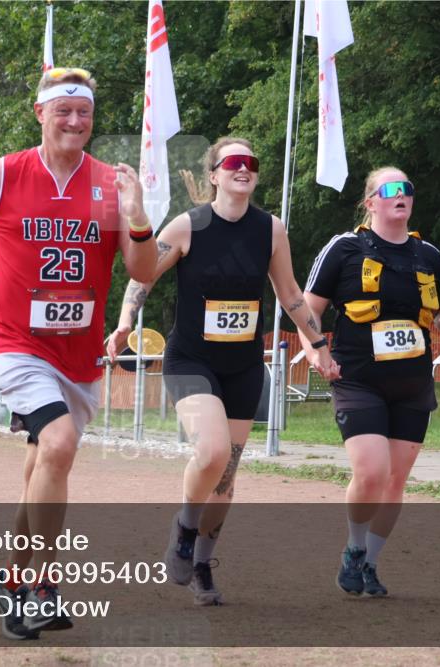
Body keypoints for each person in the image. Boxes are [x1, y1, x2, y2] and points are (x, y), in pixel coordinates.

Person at [0, 67, 158, 639]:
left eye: (83, 112)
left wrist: (136, 217)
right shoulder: (4, 173)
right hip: (13, 339)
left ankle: (10, 576)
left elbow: (144, 269)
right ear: (40, 113)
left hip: (79, 353)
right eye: (63, 110)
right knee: (57, 443)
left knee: (44, 465)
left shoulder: (112, 184)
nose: (74, 121)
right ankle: (41, 586)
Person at [106, 137, 339, 606]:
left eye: (251, 163)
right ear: (213, 174)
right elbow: (144, 272)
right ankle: (185, 528)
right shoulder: (190, 226)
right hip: (191, 359)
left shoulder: (270, 230)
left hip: (243, 366)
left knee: (227, 478)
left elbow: (291, 295)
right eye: (233, 162)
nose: (243, 168)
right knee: (211, 452)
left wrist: (317, 344)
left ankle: (202, 567)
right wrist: (126, 321)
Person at [301, 166, 440, 597]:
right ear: (370, 202)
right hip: (358, 378)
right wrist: (317, 350)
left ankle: (370, 563)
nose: (401, 195)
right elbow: (306, 308)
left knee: (394, 482)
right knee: (372, 472)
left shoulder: (428, 255)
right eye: (390, 189)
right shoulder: (345, 248)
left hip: (411, 382)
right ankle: (353, 549)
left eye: (407, 189)